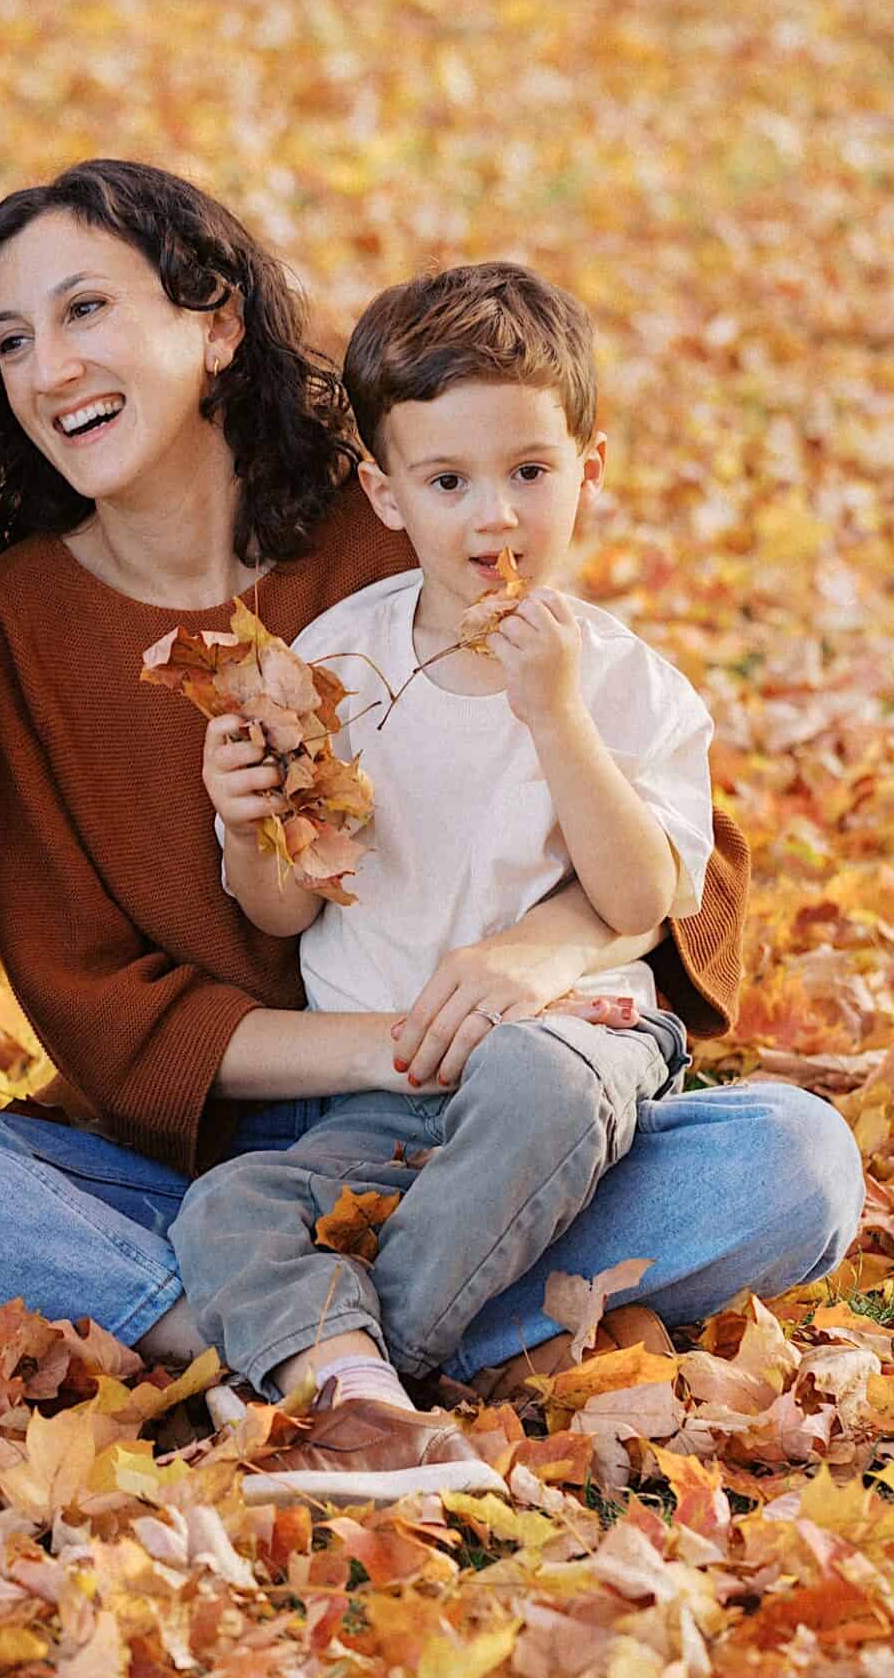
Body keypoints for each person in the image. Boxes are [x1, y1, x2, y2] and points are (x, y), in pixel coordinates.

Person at [0, 163, 863, 1459]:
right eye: (14, 340)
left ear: (215, 322)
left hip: (507, 1121)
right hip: (217, 1163)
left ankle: (306, 1352)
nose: (51, 368)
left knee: (792, 1156)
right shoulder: (14, 630)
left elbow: (686, 860)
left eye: (86, 312)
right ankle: (353, 1336)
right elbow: (104, 1013)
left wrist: (529, 959)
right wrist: (389, 1044)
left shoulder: (403, 509)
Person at [168, 261, 717, 1470]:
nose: (495, 518)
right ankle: (387, 1376)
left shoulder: (623, 681)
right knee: (225, 1205)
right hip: (377, 1106)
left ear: (591, 469)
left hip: (566, 1066)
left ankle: (364, 1374)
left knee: (568, 1090)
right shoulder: (340, 662)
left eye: (530, 471)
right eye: (449, 481)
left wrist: (556, 717)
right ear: (385, 491)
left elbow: (640, 900)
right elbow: (274, 906)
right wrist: (245, 814)